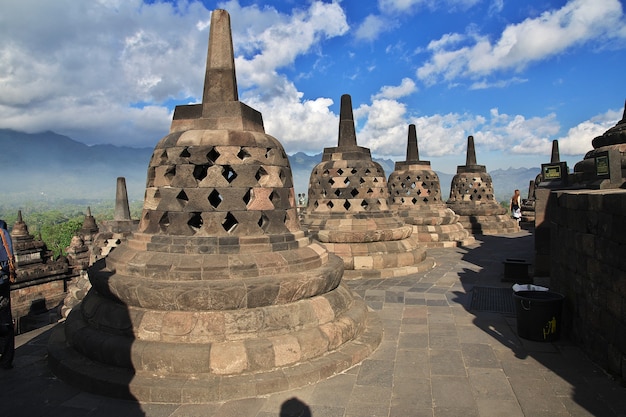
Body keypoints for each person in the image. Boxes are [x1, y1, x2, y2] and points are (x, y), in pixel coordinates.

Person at [0, 219, 15, 369]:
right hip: (2, 282)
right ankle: (5, 360)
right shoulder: (2, 231)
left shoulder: (1, 231)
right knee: (4, 323)